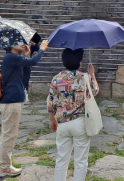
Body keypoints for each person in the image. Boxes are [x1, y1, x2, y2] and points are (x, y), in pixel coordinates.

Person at [0, 40, 48, 178]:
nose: (22, 43)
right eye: (17, 41)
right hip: (12, 100)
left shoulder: (15, 58)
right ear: (9, 45)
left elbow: (26, 72)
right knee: (10, 134)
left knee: (7, 132)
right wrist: (42, 49)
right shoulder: (10, 56)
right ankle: (5, 167)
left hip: (14, 99)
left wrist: (27, 54)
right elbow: (33, 62)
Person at [47, 49, 98, 181]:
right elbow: (95, 91)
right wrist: (92, 74)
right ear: (80, 62)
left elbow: (51, 102)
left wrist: (52, 119)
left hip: (62, 123)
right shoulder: (85, 77)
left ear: (63, 61)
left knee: (61, 159)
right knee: (81, 160)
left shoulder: (56, 79)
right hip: (80, 122)